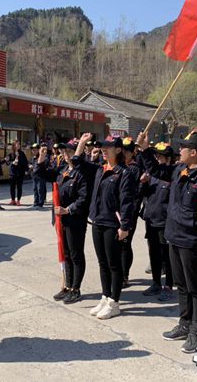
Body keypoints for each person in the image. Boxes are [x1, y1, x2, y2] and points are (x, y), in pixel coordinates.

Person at [138, 131, 197, 353]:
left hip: (193, 241)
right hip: (174, 237)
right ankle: (184, 324)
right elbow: (157, 171)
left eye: (183, 148)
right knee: (182, 286)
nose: (180, 151)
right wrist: (145, 150)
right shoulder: (180, 170)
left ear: (193, 152)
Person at [73, 133, 137, 320]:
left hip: (113, 224)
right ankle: (105, 296)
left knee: (113, 264)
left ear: (118, 150)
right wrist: (82, 142)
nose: (103, 150)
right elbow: (77, 161)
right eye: (102, 147)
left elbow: (127, 202)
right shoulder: (100, 170)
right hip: (97, 221)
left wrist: (125, 226)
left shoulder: (124, 173)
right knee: (102, 263)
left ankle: (114, 302)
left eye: (107, 147)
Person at [36, 138, 89, 304]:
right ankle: (67, 285)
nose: (65, 154)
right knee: (65, 254)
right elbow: (41, 174)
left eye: (70, 151)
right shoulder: (63, 170)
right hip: (62, 220)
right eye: (64, 151)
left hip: (75, 219)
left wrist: (68, 209)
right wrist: (41, 158)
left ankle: (76, 288)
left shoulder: (82, 173)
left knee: (75, 254)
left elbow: (84, 198)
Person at [139, 142, 175, 301]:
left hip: (165, 221)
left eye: (160, 156)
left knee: (167, 255)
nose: (157, 159)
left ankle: (168, 284)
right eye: (156, 156)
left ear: (168, 159)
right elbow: (144, 195)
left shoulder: (172, 174)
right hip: (151, 220)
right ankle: (155, 282)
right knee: (153, 253)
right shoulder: (152, 175)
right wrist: (143, 183)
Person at [121, 137, 142, 288]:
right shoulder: (119, 167)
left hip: (129, 213)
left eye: (127, 151)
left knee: (125, 245)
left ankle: (124, 275)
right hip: (116, 212)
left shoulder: (134, 169)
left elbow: (135, 194)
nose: (124, 153)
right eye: (122, 150)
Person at [5, 140, 29, 206]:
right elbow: (7, 162)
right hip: (12, 173)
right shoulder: (10, 153)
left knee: (19, 187)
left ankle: (18, 200)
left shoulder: (22, 153)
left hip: (20, 173)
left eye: (19, 144)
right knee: (12, 187)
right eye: (17, 144)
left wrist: (27, 170)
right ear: (14, 145)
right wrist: (12, 162)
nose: (18, 146)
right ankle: (13, 200)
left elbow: (25, 162)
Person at [31, 143, 49, 209]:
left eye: (35, 150)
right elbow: (32, 165)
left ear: (39, 150)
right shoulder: (33, 157)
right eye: (33, 150)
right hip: (34, 176)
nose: (33, 151)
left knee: (40, 190)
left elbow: (45, 164)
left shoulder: (43, 156)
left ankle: (40, 203)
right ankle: (35, 202)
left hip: (41, 176)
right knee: (35, 189)